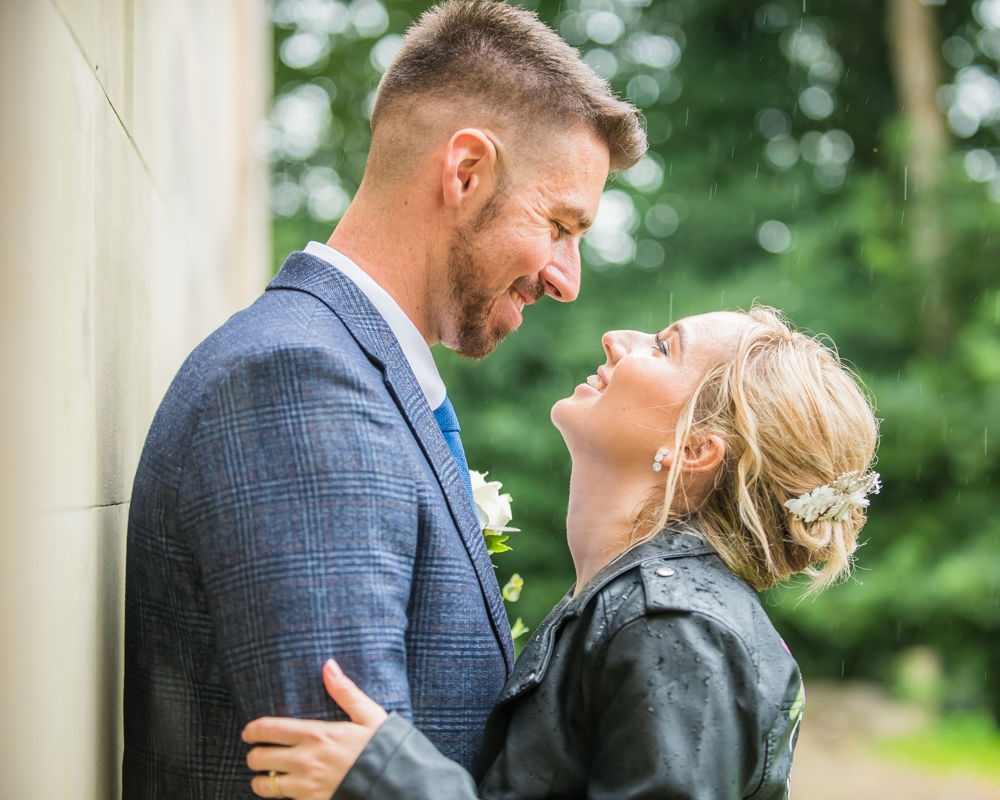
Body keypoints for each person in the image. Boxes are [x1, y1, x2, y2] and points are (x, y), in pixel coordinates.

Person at [122, 1, 646, 796]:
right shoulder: (299, 385)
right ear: (465, 171)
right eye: (561, 225)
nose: (568, 281)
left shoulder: (352, 371)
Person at [241, 306, 880, 800]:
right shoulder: (632, 602)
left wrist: (395, 782)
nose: (616, 338)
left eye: (662, 347)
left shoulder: (676, 629)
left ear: (694, 450)